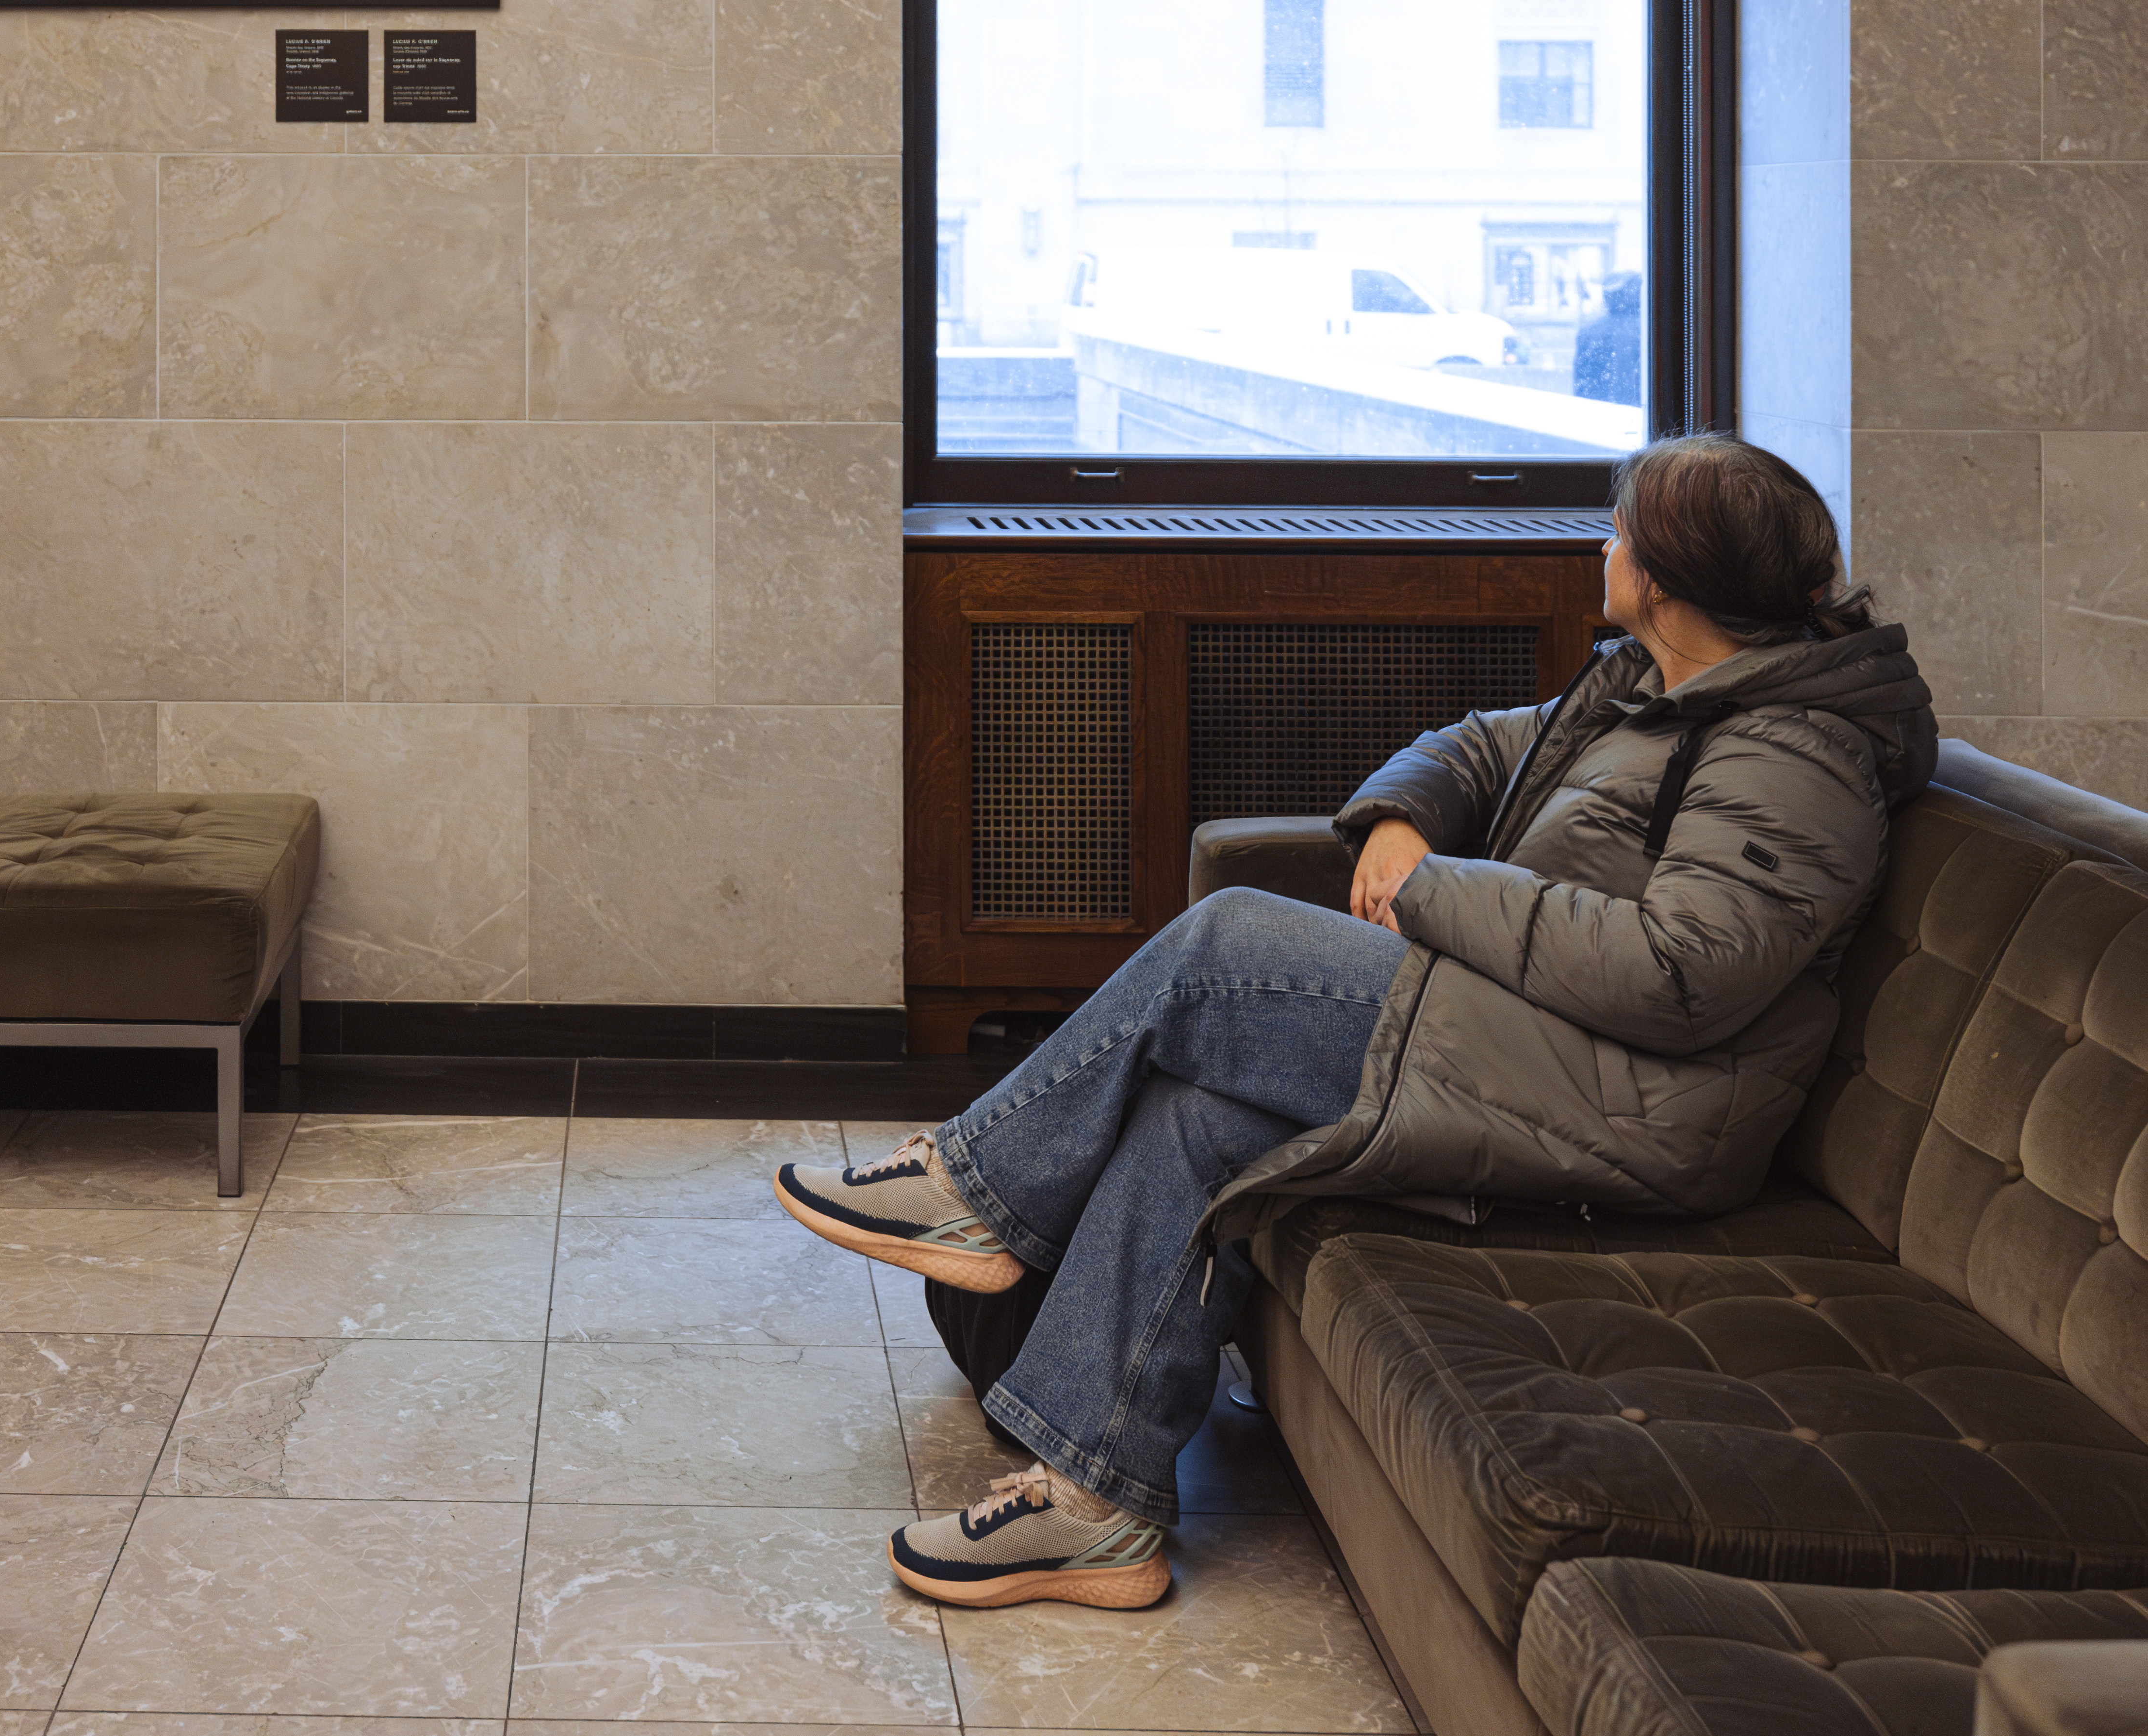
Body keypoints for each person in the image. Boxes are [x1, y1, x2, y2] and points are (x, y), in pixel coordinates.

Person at [771, 433, 1936, 1610]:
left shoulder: (1796, 752)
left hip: (1636, 1103)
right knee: (1198, 1114)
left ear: (1672, 577)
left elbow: (1683, 974)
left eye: (1622, 531)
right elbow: (1482, 742)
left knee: (1223, 941)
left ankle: (974, 1182)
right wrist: (1397, 817)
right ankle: (1094, 1502)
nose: (1603, 544)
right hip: (1542, 1042)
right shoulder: (1652, 687)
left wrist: (1432, 891)